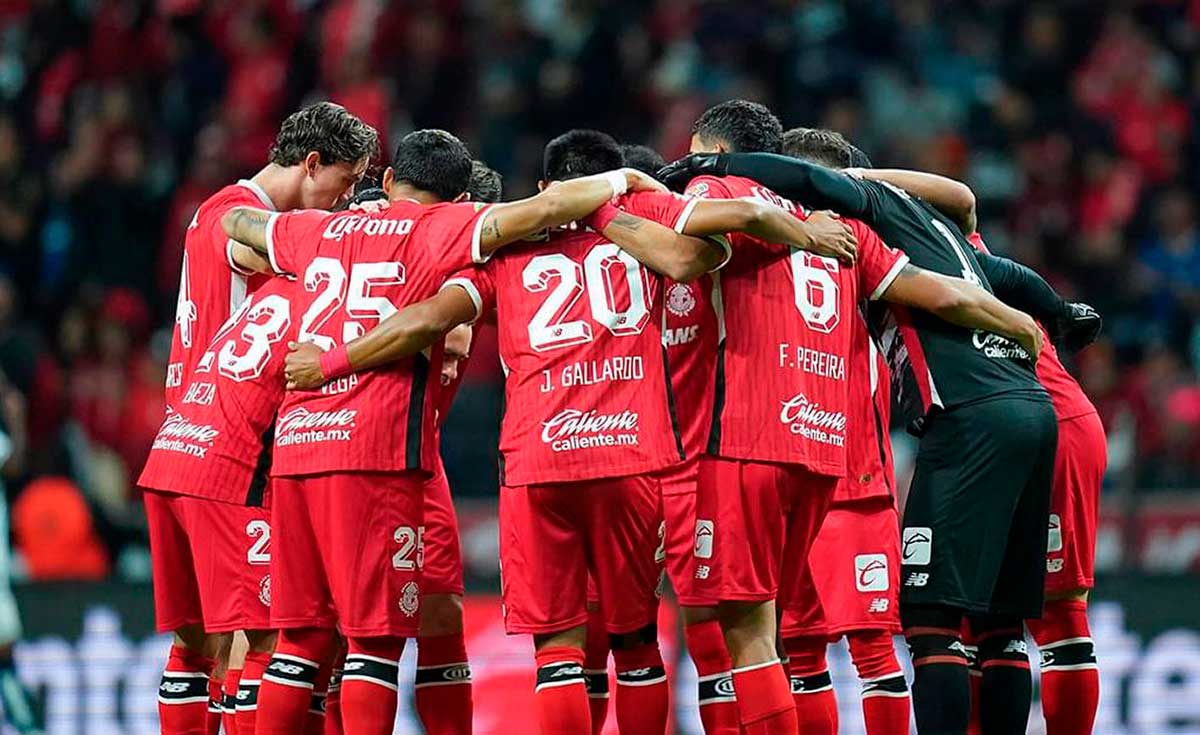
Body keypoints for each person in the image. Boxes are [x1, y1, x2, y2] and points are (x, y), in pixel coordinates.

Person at [282, 127, 867, 735]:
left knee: (558, 652)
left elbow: (428, 318)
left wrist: (330, 362)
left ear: (543, 188)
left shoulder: (508, 247)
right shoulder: (640, 233)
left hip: (537, 461)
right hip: (630, 457)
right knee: (638, 644)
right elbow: (701, 255)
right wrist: (616, 214)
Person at [221, 128, 669, 735]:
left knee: (302, 638)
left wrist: (340, 228)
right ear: (461, 200)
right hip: (381, 448)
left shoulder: (320, 229)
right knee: (377, 644)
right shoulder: (441, 231)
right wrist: (624, 184)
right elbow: (683, 251)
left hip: (301, 444)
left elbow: (240, 226)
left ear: (382, 181)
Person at [658, 123, 1098, 735]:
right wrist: (1051, 314)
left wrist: (687, 176)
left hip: (962, 419)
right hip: (1039, 408)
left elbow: (939, 284)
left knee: (925, 621)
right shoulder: (938, 234)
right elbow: (989, 248)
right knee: (1006, 623)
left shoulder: (869, 222)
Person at [137, 101, 377, 735]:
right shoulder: (245, 224)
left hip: (185, 434)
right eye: (344, 183)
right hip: (238, 447)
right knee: (263, 639)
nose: (345, 199)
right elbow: (321, 267)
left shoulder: (212, 208)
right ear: (312, 162)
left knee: (200, 642)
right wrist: (375, 231)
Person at [849, 162, 1106, 735]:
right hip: (1021, 425)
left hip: (1046, 421)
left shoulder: (926, 240)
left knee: (1055, 616)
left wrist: (857, 178)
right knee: (975, 619)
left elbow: (960, 195)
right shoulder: (917, 248)